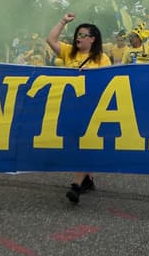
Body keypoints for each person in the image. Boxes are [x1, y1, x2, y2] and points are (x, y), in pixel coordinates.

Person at [47, 12, 113, 204]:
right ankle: (88, 179)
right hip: (71, 107)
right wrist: (62, 21)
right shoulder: (69, 52)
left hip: (92, 109)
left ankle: (76, 185)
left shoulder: (102, 59)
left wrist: (93, 74)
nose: (78, 37)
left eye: (83, 35)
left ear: (92, 39)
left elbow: (109, 82)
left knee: (85, 143)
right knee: (77, 144)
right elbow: (51, 39)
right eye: (77, 34)